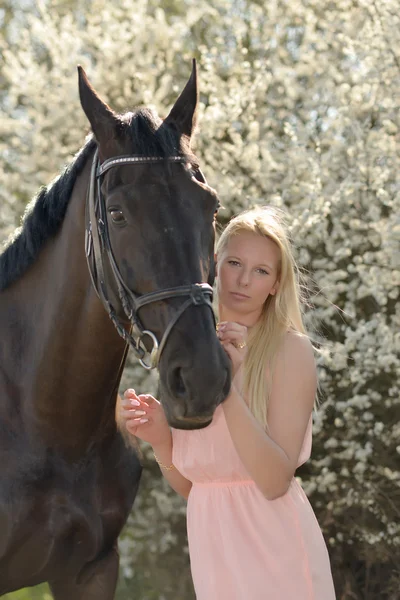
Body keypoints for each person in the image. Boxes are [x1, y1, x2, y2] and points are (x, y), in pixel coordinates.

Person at [118, 206, 336, 599]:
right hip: (213, 551)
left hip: (276, 553)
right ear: (214, 263)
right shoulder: (187, 349)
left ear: (275, 284)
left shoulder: (290, 351)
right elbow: (202, 486)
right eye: (235, 262)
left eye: (261, 271)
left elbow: (273, 483)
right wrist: (162, 441)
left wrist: (229, 385)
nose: (243, 280)